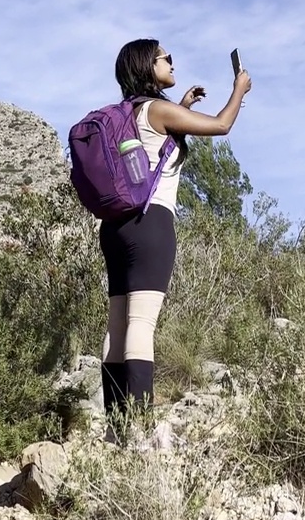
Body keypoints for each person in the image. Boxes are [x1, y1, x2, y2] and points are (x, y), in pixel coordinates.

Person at [99, 38, 251, 440]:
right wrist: (239, 89)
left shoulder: (125, 115)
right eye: (166, 57)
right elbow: (221, 125)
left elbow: (156, 147)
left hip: (115, 228)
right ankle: (139, 430)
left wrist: (182, 105)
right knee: (141, 324)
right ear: (149, 66)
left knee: (117, 325)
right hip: (152, 225)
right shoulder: (158, 110)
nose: (172, 61)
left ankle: (116, 430)